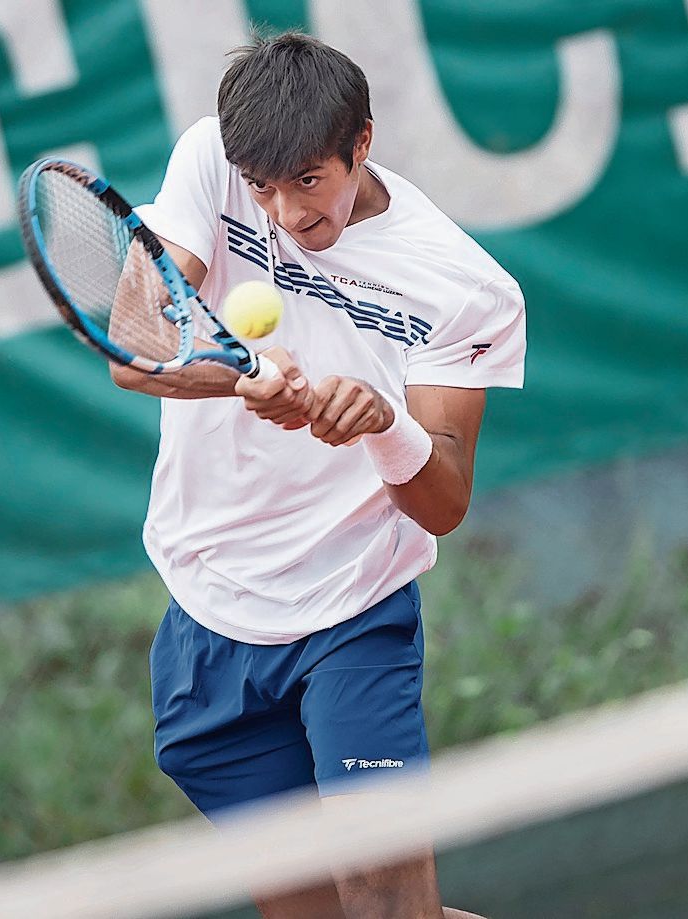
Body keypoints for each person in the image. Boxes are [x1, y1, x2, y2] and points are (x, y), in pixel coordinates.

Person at [114, 31, 525, 919]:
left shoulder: (461, 286)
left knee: (384, 904)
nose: (285, 212)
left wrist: (383, 424)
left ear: (362, 144)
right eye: (261, 186)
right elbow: (136, 346)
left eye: (308, 179)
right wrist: (248, 376)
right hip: (210, 611)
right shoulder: (207, 163)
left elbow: (445, 497)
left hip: (355, 611)